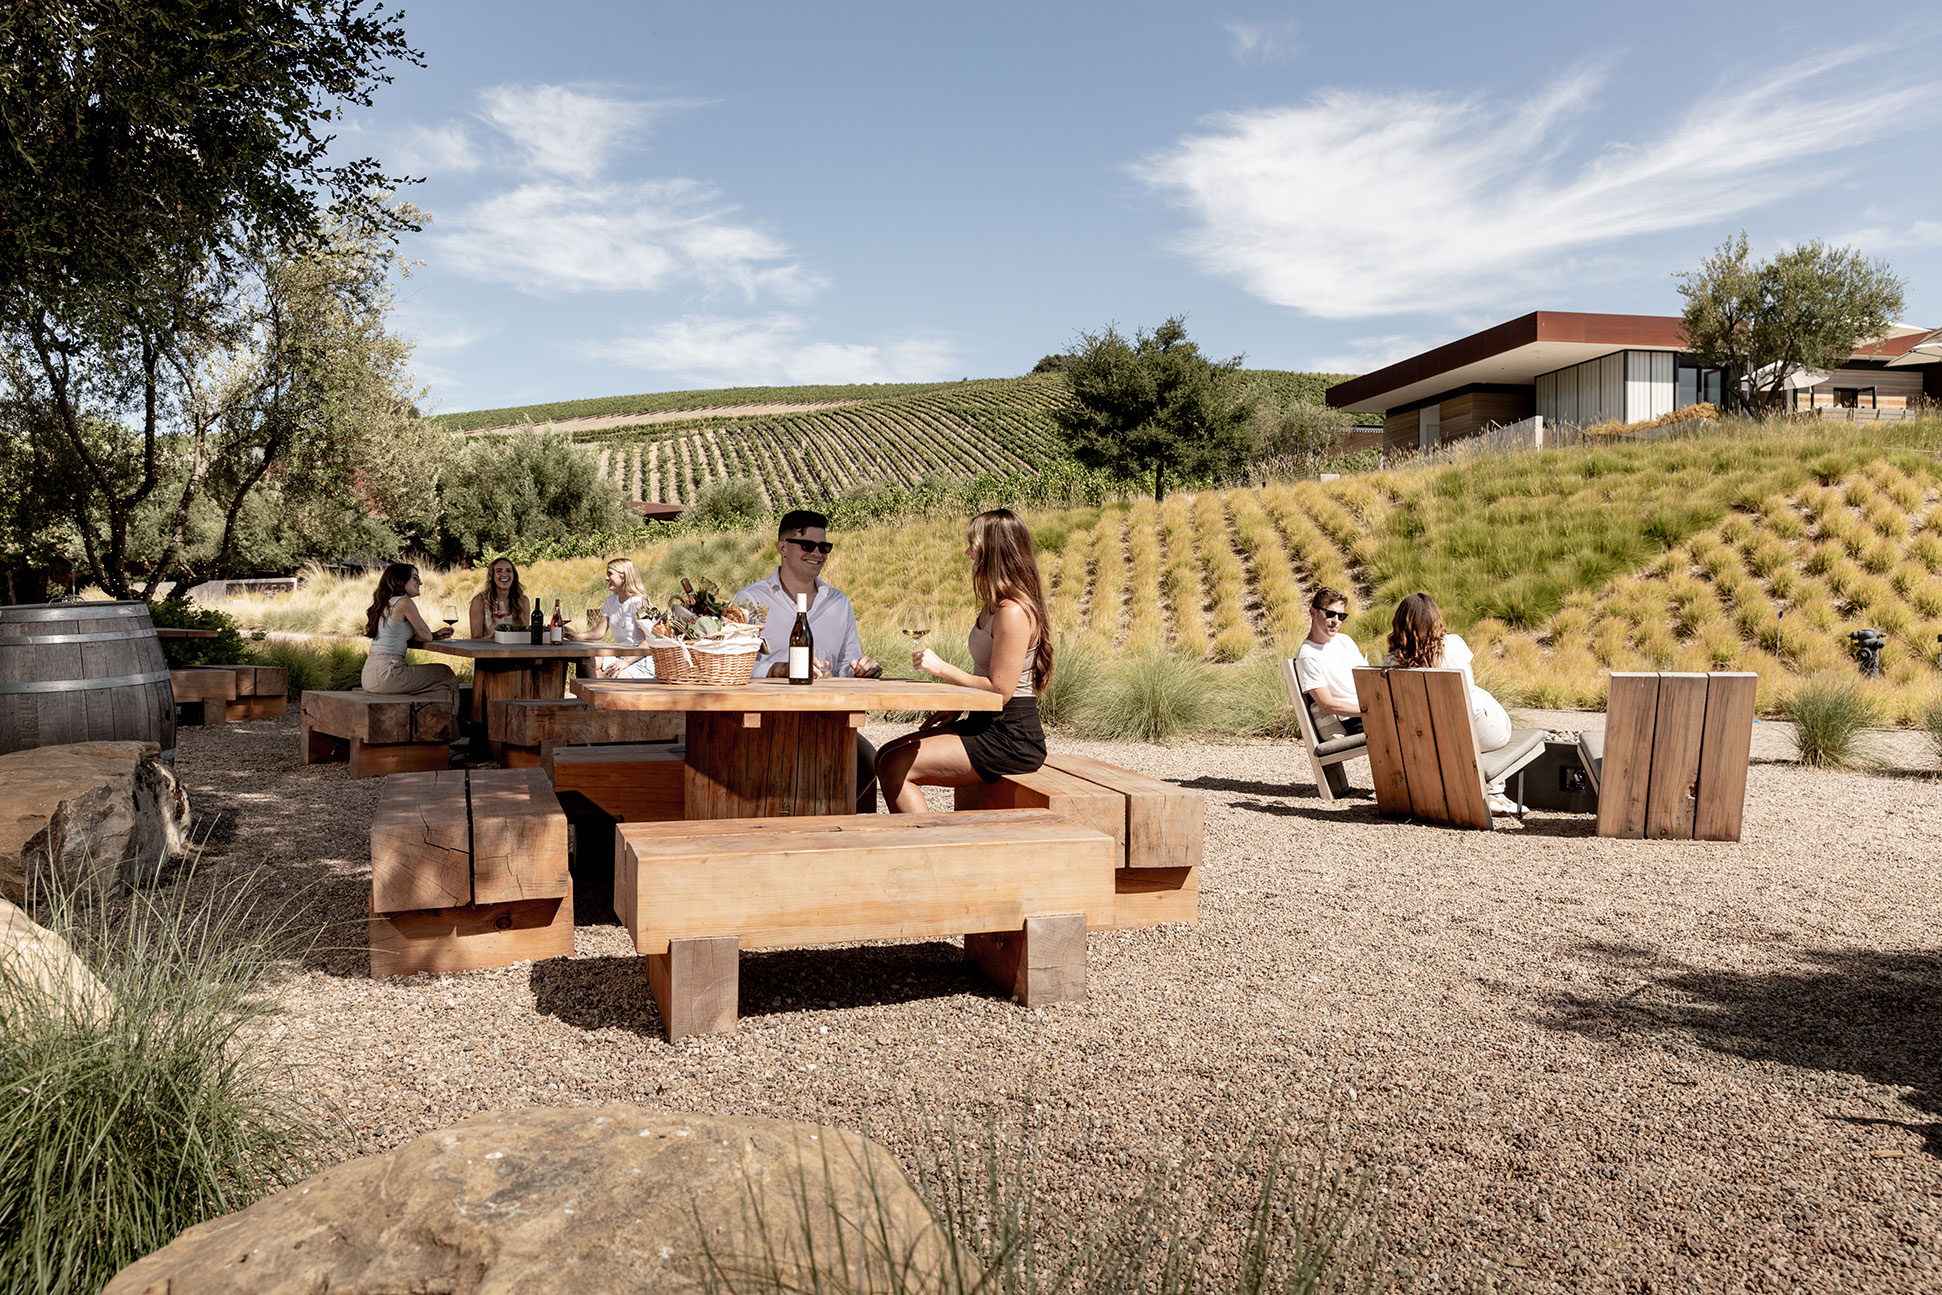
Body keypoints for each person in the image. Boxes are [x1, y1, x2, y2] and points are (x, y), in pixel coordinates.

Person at [876, 509, 1052, 814]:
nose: (968, 552)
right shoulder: (994, 605)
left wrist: (939, 667)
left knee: (895, 765)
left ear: (994, 551)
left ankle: (931, 853)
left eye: (974, 545)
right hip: (985, 722)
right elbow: (987, 675)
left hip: (1011, 735)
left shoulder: (1012, 611)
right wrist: (958, 705)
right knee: (886, 754)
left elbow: (1000, 690)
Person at [734, 509, 882, 809]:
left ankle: (857, 842)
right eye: (808, 545)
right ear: (782, 548)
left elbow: (845, 664)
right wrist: (775, 668)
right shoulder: (750, 601)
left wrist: (861, 669)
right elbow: (732, 664)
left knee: (870, 763)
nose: (818, 553)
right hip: (764, 725)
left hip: (828, 725)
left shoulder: (839, 603)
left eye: (824, 547)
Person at [1382, 591, 1518, 813]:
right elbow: (1470, 682)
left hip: (1424, 736)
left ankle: (1491, 790)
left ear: (1399, 622)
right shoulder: (1453, 644)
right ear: (1436, 618)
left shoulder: (1392, 661)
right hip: (1474, 731)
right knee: (1480, 701)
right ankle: (1493, 790)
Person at [361, 563, 460, 716]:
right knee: (445, 673)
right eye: (415, 578)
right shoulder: (404, 602)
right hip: (389, 673)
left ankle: (444, 732)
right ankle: (457, 728)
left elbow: (401, 634)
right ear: (400, 580)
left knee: (441, 689)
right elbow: (425, 636)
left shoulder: (384, 603)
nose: (420, 582)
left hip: (369, 674)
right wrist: (430, 635)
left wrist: (434, 635)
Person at [1292, 588, 1367, 738]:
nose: (1336, 621)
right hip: (1355, 718)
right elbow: (1327, 705)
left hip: (1370, 709)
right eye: (1330, 614)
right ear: (1313, 613)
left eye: (1341, 616)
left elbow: (1366, 677)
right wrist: (1367, 710)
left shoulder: (1345, 640)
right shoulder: (1308, 655)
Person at [567, 556, 655, 679]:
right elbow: (599, 632)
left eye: (610, 574)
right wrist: (575, 636)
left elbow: (650, 640)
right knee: (584, 661)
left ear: (624, 576)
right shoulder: (610, 601)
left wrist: (626, 662)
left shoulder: (640, 604)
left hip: (639, 661)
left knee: (597, 677)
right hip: (618, 655)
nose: (606, 578)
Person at [468, 557, 530, 638]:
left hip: (515, 650)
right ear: (492, 576)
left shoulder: (523, 601)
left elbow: (524, 636)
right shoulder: (479, 601)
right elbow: (475, 640)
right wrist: (491, 637)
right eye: (498, 571)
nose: (504, 575)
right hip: (488, 650)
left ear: (513, 576)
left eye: (508, 571)